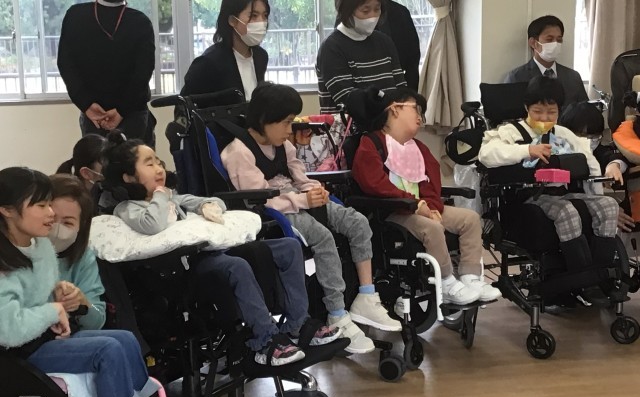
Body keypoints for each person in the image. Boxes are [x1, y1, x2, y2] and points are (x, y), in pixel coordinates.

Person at [103, 131, 340, 366]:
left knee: (289, 247)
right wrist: (160, 196)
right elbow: (152, 223)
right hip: (183, 271)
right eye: (149, 164)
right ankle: (265, 340)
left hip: (211, 251)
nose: (158, 168)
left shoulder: (172, 198)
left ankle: (298, 324)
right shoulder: (128, 208)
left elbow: (216, 202)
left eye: (158, 162)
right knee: (236, 266)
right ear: (129, 177)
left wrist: (206, 206)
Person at [0, 167, 168, 397]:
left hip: (43, 338)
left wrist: (59, 292)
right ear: (7, 210)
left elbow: (39, 293)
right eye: (41, 205)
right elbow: (8, 330)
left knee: (125, 338)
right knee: (108, 350)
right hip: (16, 354)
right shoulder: (4, 264)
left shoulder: (39, 247)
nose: (50, 214)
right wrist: (53, 311)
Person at [221, 82, 402, 355]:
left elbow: (300, 178)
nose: (289, 130)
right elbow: (259, 199)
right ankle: (336, 313)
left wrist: (314, 191)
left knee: (358, 223)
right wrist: (303, 200)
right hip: (274, 212)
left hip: (298, 199)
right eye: (285, 122)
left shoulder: (284, 145)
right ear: (264, 119)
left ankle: (366, 295)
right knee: (323, 238)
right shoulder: (239, 152)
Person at [350, 87, 501, 305]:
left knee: (470, 219)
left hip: (422, 208)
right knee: (432, 228)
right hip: (393, 212)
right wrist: (415, 205)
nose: (421, 118)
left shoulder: (419, 148)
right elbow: (374, 184)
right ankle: (446, 282)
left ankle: (471, 277)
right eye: (416, 110)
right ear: (395, 109)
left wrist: (430, 207)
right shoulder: (372, 144)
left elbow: (431, 183)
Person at [478, 76, 619, 304]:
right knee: (566, 211)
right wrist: (527, 150)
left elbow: (590, 164)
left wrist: (596, 194)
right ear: (526, 108)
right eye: (538, 112)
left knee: (608, 206)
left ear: (559, 111)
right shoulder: (510, 132)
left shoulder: (564, 134)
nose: (544, 118)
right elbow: (486, 155)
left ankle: (602, 275)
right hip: (529, 198)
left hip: (563, 193)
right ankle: (586, 282)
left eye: (551, 113)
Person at [57, 0, 156, 146]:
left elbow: (66, 64)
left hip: (97, 116)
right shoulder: (141, 21)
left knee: (97, 160)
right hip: (129, 113)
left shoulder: (75, 15)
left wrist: (86, 104)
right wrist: (120, 110)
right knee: (136, 160)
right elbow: (143, 72)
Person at [316, 0, 407, 114]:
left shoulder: (385, 42)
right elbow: (349, 100)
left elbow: (401, 89)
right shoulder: (331, 48)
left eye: (377, 9)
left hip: (391, 121)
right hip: (348, 124)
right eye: (365, 11)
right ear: (347, 11)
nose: (372, 17)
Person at [559, 101, 635, 233]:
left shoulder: (597, 151)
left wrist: (614, 165)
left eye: (594, 137)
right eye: (581, 135)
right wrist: (603, 210)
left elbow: (613, 157)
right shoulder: (556, 154)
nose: (588, 141)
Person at [181, 0, 270, 101]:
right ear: (232, 20)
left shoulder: (261, 56)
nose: (262, 22)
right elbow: (184, 106)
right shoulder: (208, 63)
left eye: (265, 15)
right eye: (254, 15)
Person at [49, 174, 106, 331]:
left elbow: (97, 322)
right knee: (110, 344)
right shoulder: (20, 251)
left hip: (68, 333)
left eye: (68, 222)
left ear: (82, 225)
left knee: (124, 338)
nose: (56, 228)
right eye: (51, 219)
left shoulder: (84, 257)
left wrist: (82, 303)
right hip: (30, 337)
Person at [504, 15, 588, 107]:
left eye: (559, 40)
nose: (555, 44)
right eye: (549, 39)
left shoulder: (573, 77)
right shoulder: (516, 77)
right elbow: (510, 112)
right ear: (533, 43)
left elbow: (585, 111)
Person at [375, 0, 420, 91]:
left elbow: (413, 58)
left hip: (400, 85)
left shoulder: (401, 12)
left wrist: (409, 92)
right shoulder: (352, 14)